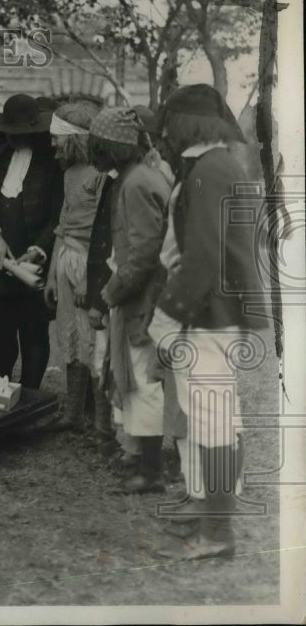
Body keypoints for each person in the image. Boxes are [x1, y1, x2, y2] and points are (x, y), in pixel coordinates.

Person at [152, 84, 267, 561]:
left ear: (187, 123)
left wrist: (167, 312)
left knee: (213, 423)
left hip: (209, 315)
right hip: (220, 313)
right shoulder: (219, 164)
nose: (165, 133)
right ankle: (212, 517)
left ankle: (217, 533)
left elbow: (202, 257)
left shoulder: (208, 170)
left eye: (170, 123)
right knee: (219, 419)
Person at [89, 107, 171, 494]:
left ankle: (151, 471)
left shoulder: (137, 183)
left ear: (111, 147)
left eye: (97, 145)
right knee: (137, 378)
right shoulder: (137, 177)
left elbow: (143, 253)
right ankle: (142, 459)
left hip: (145, 299)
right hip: (142, 294)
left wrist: (112, 292)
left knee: (143, 380)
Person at [0, 94, 64, 389]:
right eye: (9, 132)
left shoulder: (51, 163)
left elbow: (58, 216)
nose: (12, 138)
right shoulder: (1, 157)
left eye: (19, 133)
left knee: (33, 335)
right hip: (2, 263)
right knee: (1, 335)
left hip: (33, 264)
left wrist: (38, 250)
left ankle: (30, 396)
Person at [43, 100, 103, 433]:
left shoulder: (98, 175)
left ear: (74, 138)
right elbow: (63, 227)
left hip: (88, 265)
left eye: (57, 138)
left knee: (90, 338)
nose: (52, 145)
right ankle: (73, 412)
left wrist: (88, 279)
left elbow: (102, 233)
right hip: (66, 259)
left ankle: (99, 419)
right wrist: (54, 274)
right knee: (68, 335)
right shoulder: (69, 174)